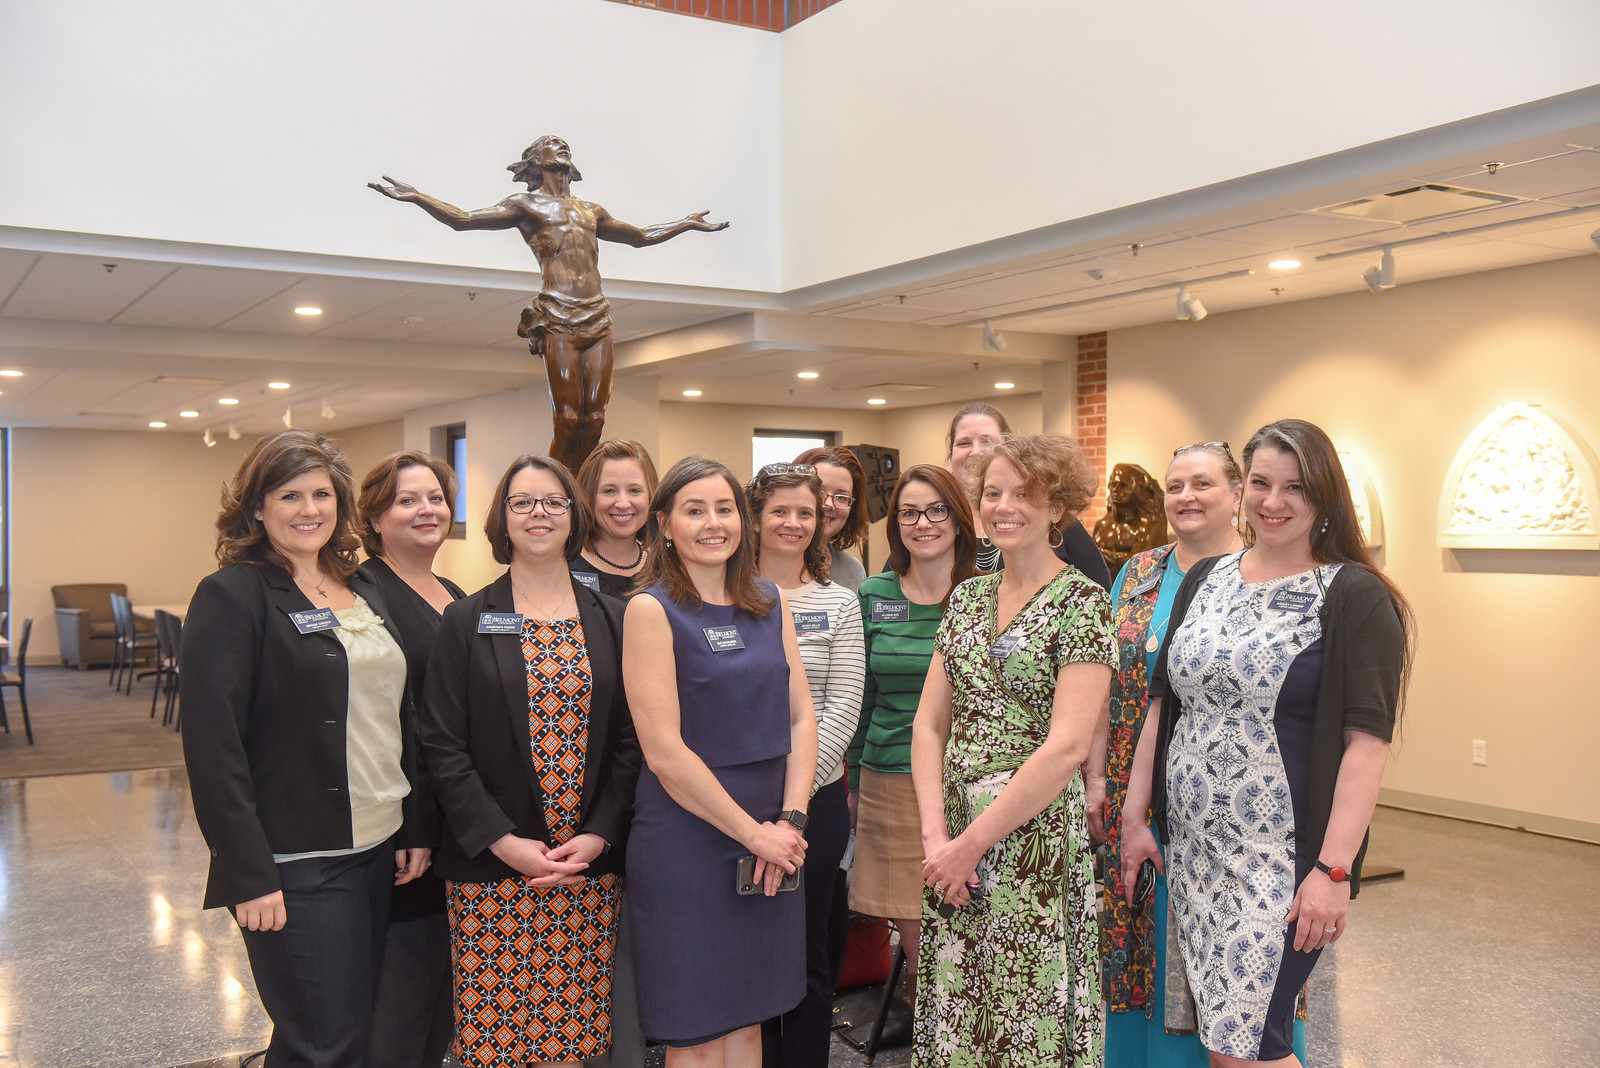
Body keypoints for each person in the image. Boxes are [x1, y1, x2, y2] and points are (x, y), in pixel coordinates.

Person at [1120, 419, 1413, 1067]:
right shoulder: (1209, 578)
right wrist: (1136, 817)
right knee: (1231, 1044)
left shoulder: (1353, 596)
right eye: (1260, 483)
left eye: (1295, 487)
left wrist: (1334, 871)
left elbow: (1367, 746)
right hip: (1193, 854)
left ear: (1325, 495)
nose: (1273, 501)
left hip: (1279, 864)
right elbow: (1164, 702)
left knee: (1249, 1043)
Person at [182, 429, 435, 1067]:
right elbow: (214, 749)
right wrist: (249, 872)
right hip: (297, 861)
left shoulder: (363, 588)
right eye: (288, 494)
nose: (309, 509)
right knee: (323, 1044)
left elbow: (395, 714)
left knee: (349, 1032)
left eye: (322, 493)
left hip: (378, 849)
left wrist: (413, 824)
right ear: (257, 507)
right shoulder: (232, 595)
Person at [419, 454, 641, 1066]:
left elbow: (631, 741)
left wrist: (598, 834)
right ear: (502, 519)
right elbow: (442, 744)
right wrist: (502, 841)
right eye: (522, 502)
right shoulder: (465, 619)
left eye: (553, 501)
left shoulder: (614, 618)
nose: (538, 513)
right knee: (497, 1041)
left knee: (576, 1038)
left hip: (584, 867)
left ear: (574, 516)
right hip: (494, 867)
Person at [909, 434, 1114, 1068]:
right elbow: (927, 726)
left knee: (1029, 1018)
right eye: (992, 493)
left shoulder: (1084, 604)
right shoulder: (968, 596)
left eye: (1024, 494)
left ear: (1059, 508)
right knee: (961, 1007)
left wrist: (968, 846)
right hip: (952, 844)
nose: (1004, 506)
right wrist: (936, 839)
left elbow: (1066, 749)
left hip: (1033, 841)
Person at [370, 136, 727, 473]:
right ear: (536, 161)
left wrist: (685, 224)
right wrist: (419, 197)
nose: (559, 145)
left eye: (562, 144)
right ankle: (555, 486)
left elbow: (641, 237)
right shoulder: (524, 205)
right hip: (558, 313)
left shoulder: (590, 210)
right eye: (549, 144)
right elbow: (464, 220)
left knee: (595, 419)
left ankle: (582, 489)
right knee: (570, 418)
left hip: (597, 313)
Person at [622, 456, 818, 1065]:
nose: (714, 523)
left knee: (752, 1022)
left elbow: (800, 719)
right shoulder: (650, 611)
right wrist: (754, 834)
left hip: (774, 834)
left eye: (725, 508)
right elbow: (665, 752)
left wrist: (791, 822)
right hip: (690, 839)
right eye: (695, 510)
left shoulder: (769, 600)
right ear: (664, 525)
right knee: (699, 1031)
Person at [1099, 442, 1250, 1068]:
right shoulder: (1138, 571)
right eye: (1175, 484)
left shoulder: (1262, 573)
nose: (1186, 496)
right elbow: (1103, 677)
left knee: (1220, 953)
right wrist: (1094, 781)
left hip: (1222, 797)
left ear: (1239, 494)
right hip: (1124, 789)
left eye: (1203, 484)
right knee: (1132, 944)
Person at [746, 463, 867, 1068]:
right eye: (780, 511)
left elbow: (844, 704)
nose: (793, 523)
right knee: (746, 951)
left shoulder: (839, 604)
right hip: (734, 802)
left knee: (809, 951)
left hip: (813, 806)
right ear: (756, 518)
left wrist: (794, 793)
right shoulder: (722, 596)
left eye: (806, 513)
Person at [848, 464, 977, 1008]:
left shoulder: (987, 592)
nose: (922, 523)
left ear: (958, 517)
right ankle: (936, 1040)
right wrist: (852, 781)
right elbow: (863, 697)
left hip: (973, 785)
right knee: (924, 947)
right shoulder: (874, 594)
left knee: (978, 936)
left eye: (936, 510)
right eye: (908, 513)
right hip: (890, 783)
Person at [355, 450, 469, 1068]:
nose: (427, 510)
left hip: (460, 825)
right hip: (408, 831)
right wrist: (416, 824)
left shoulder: (453, 592)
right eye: (407, 500)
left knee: (442, 1010)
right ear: (375, 518)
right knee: (400, 1006)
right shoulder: (365, 593)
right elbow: (394, 721)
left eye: (435, 498)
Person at [944, 402, 1112, 590]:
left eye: (987, 442)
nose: (976, 451)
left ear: (1009, 448)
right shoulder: (935, 521)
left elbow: (1100, 585)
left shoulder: (1054, 519)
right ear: (950, 455)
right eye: (964, 443)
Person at [572, 438, 659, 599]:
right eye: (609, 491)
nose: (623, 503)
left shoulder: (664, 573)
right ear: (588, 496)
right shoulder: (563, 569)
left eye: (634, 490)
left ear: (650, 497)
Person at [793, 445, 870, 592]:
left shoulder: (852, 570)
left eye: (841, 497)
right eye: (819, 491)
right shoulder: (754, 565)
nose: (828, 504)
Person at [1093, 462, 1168, 576]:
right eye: (1113, 485)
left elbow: (1140, 564)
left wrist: (1097, 552)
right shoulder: (1101, 525)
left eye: (1122, 485)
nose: (1116, 490)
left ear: (1136, 489)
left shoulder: (1147, 526)